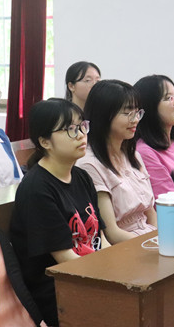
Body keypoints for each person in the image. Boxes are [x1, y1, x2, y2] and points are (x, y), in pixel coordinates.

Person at [9, 98, 109, 326]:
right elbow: (66, 262)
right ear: (45, 141)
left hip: (92, 276)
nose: (81, 135)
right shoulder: (37, 189)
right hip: (59, 293)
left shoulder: (81, 176)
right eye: (71, 130)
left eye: (82, 126)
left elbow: (101, 239)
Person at [76, 80, 157, 244]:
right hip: (126, 246)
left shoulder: (133, 155)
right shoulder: (89, 165)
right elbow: (111, 233)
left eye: (137, 112)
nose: (135, 119)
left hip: (150, 238)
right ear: (104, 115)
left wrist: (161, 238)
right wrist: (154, 244)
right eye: (127, 113)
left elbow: (150, 213)